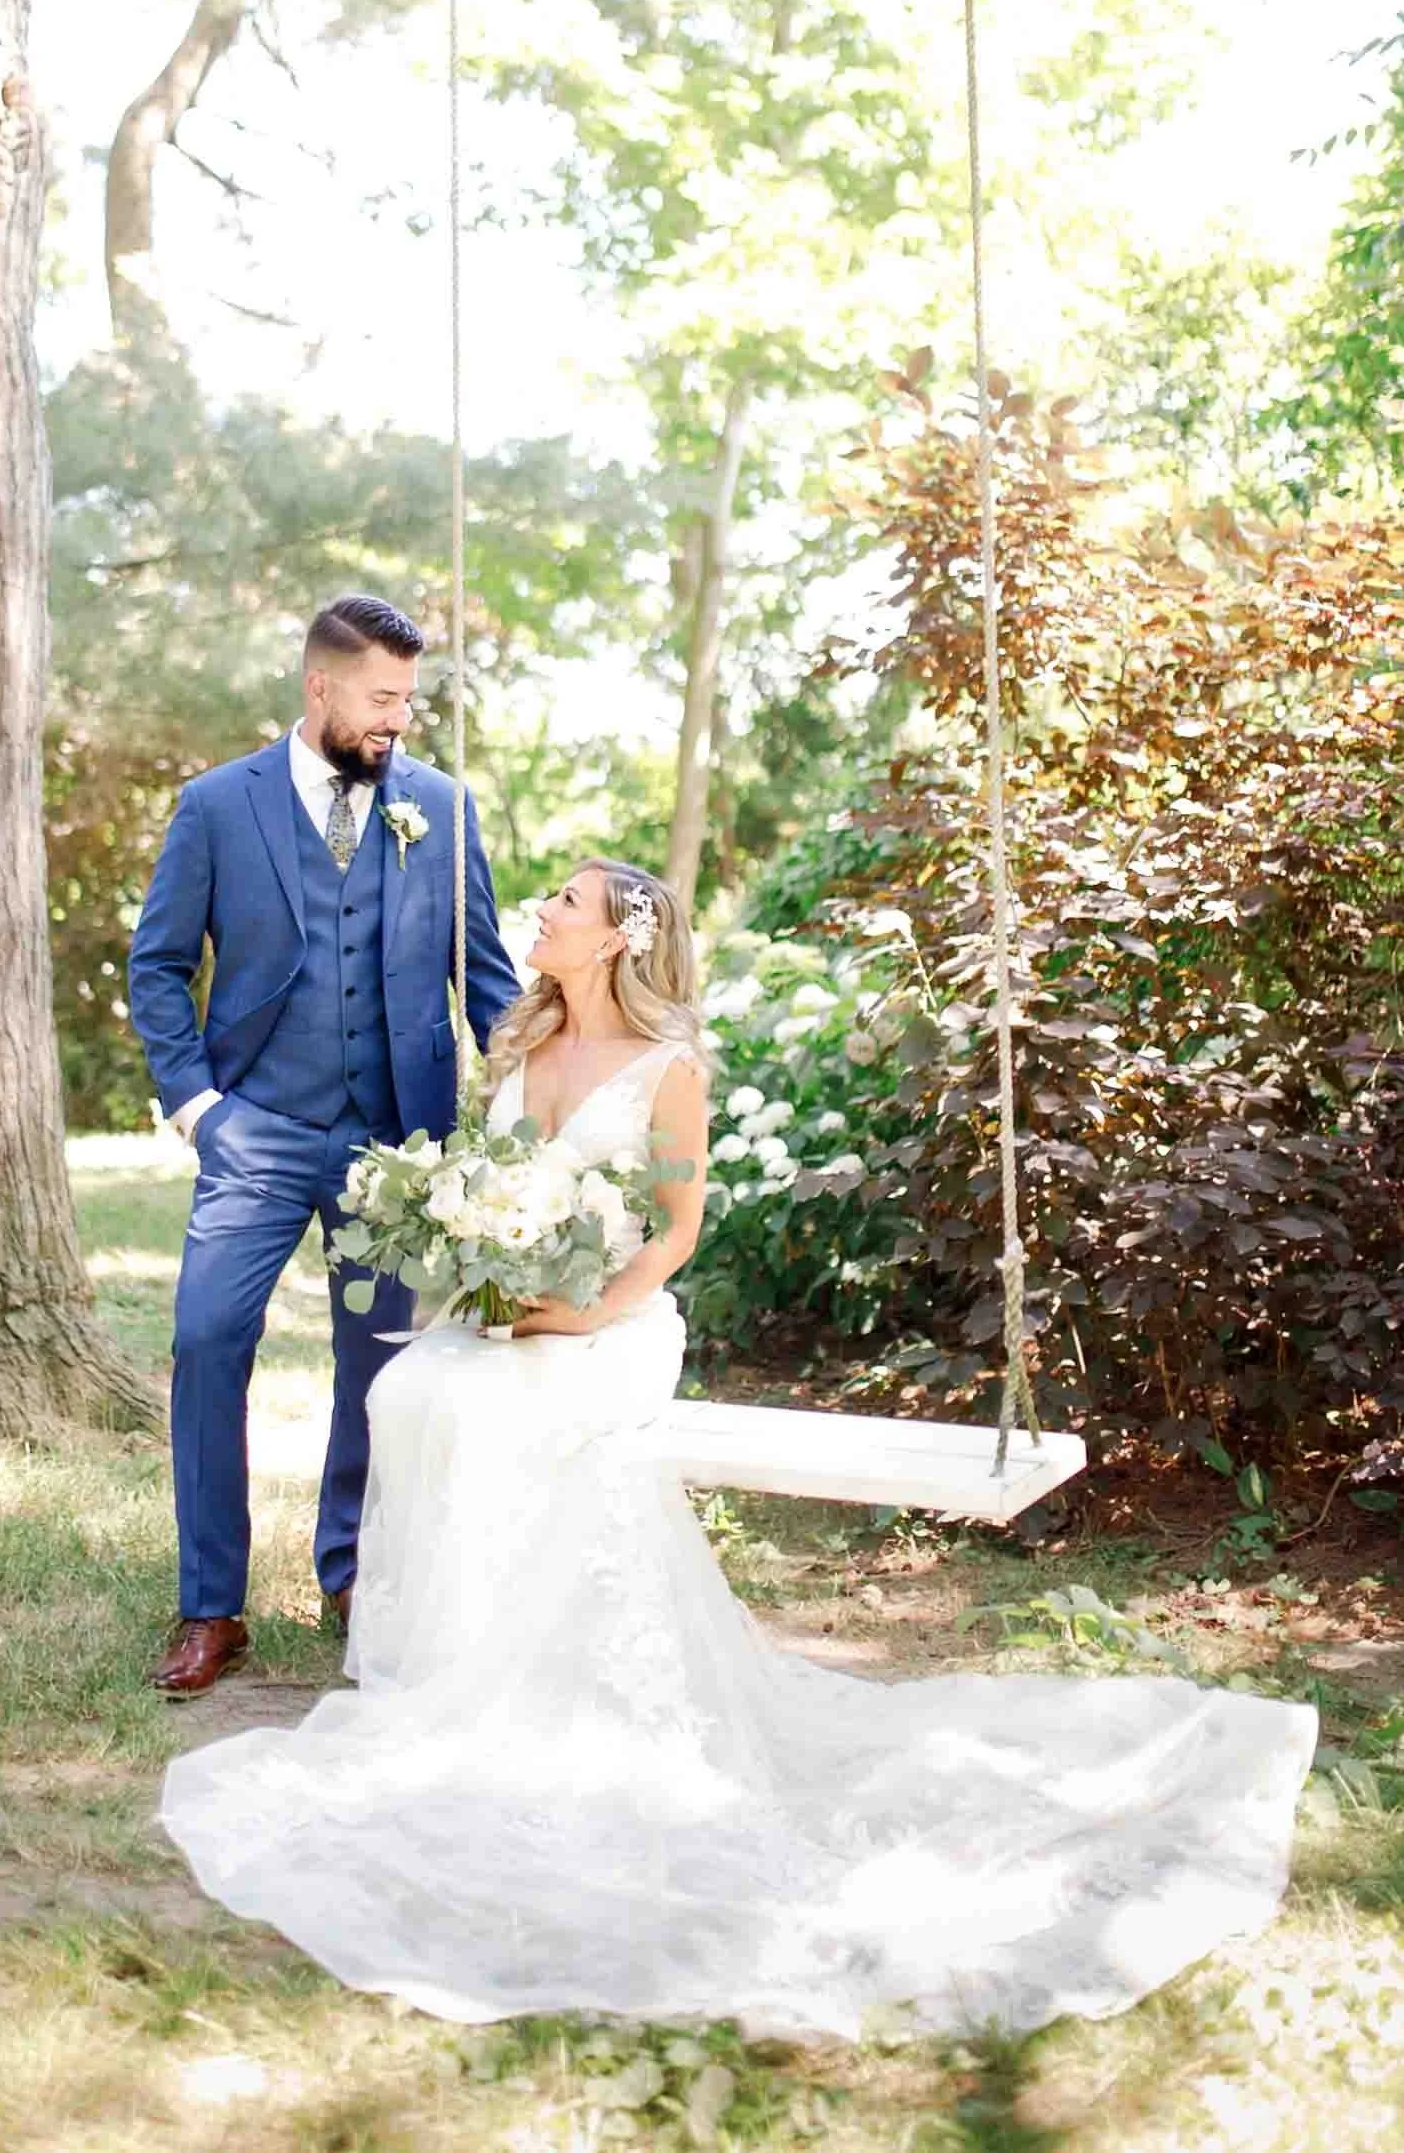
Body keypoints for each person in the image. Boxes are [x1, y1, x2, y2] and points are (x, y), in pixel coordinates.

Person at [159, 860, 1318, 2040]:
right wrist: (484, 1264)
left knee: (496, 1408)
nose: (542, 913)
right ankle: (446, 1658)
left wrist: (583, 1311)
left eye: (565, 904)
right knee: (414, 1385)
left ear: (616, 940)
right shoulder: (517, 1046)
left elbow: (672, 1229)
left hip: (613, 1325)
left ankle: (518, 1682)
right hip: (516, 1312)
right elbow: (489, 1187)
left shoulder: (668, 1070)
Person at [127, 595, 519, 1698]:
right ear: (320, 687)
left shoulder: (440, 806)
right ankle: (211, 1605)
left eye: (409, 700)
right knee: (207, 1339)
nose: (399, 718)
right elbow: (158, 964)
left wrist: (533, 1101)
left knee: (380, 1363)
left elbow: (484, 975)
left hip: (394, 1139)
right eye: (382, 698)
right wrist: (197, 1107)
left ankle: (352, 1577)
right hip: (253, 1127)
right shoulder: (218, 806)